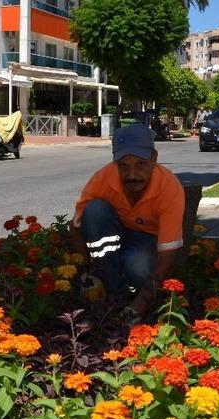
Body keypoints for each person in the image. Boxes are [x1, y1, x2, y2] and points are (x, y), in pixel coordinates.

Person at [71, 123, 185, 320]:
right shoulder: (103, 178)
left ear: (154, 159)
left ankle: (126, 293)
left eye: (140, 164)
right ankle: (112, 289)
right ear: (115, 163)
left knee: (136, 265)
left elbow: (168, 255)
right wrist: (89, 270)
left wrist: (139, 305)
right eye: (123, 166)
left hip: (150, 242)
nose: (132, 175)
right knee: (95, 210)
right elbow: (76, 226)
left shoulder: (169, 188)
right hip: (117, 235)